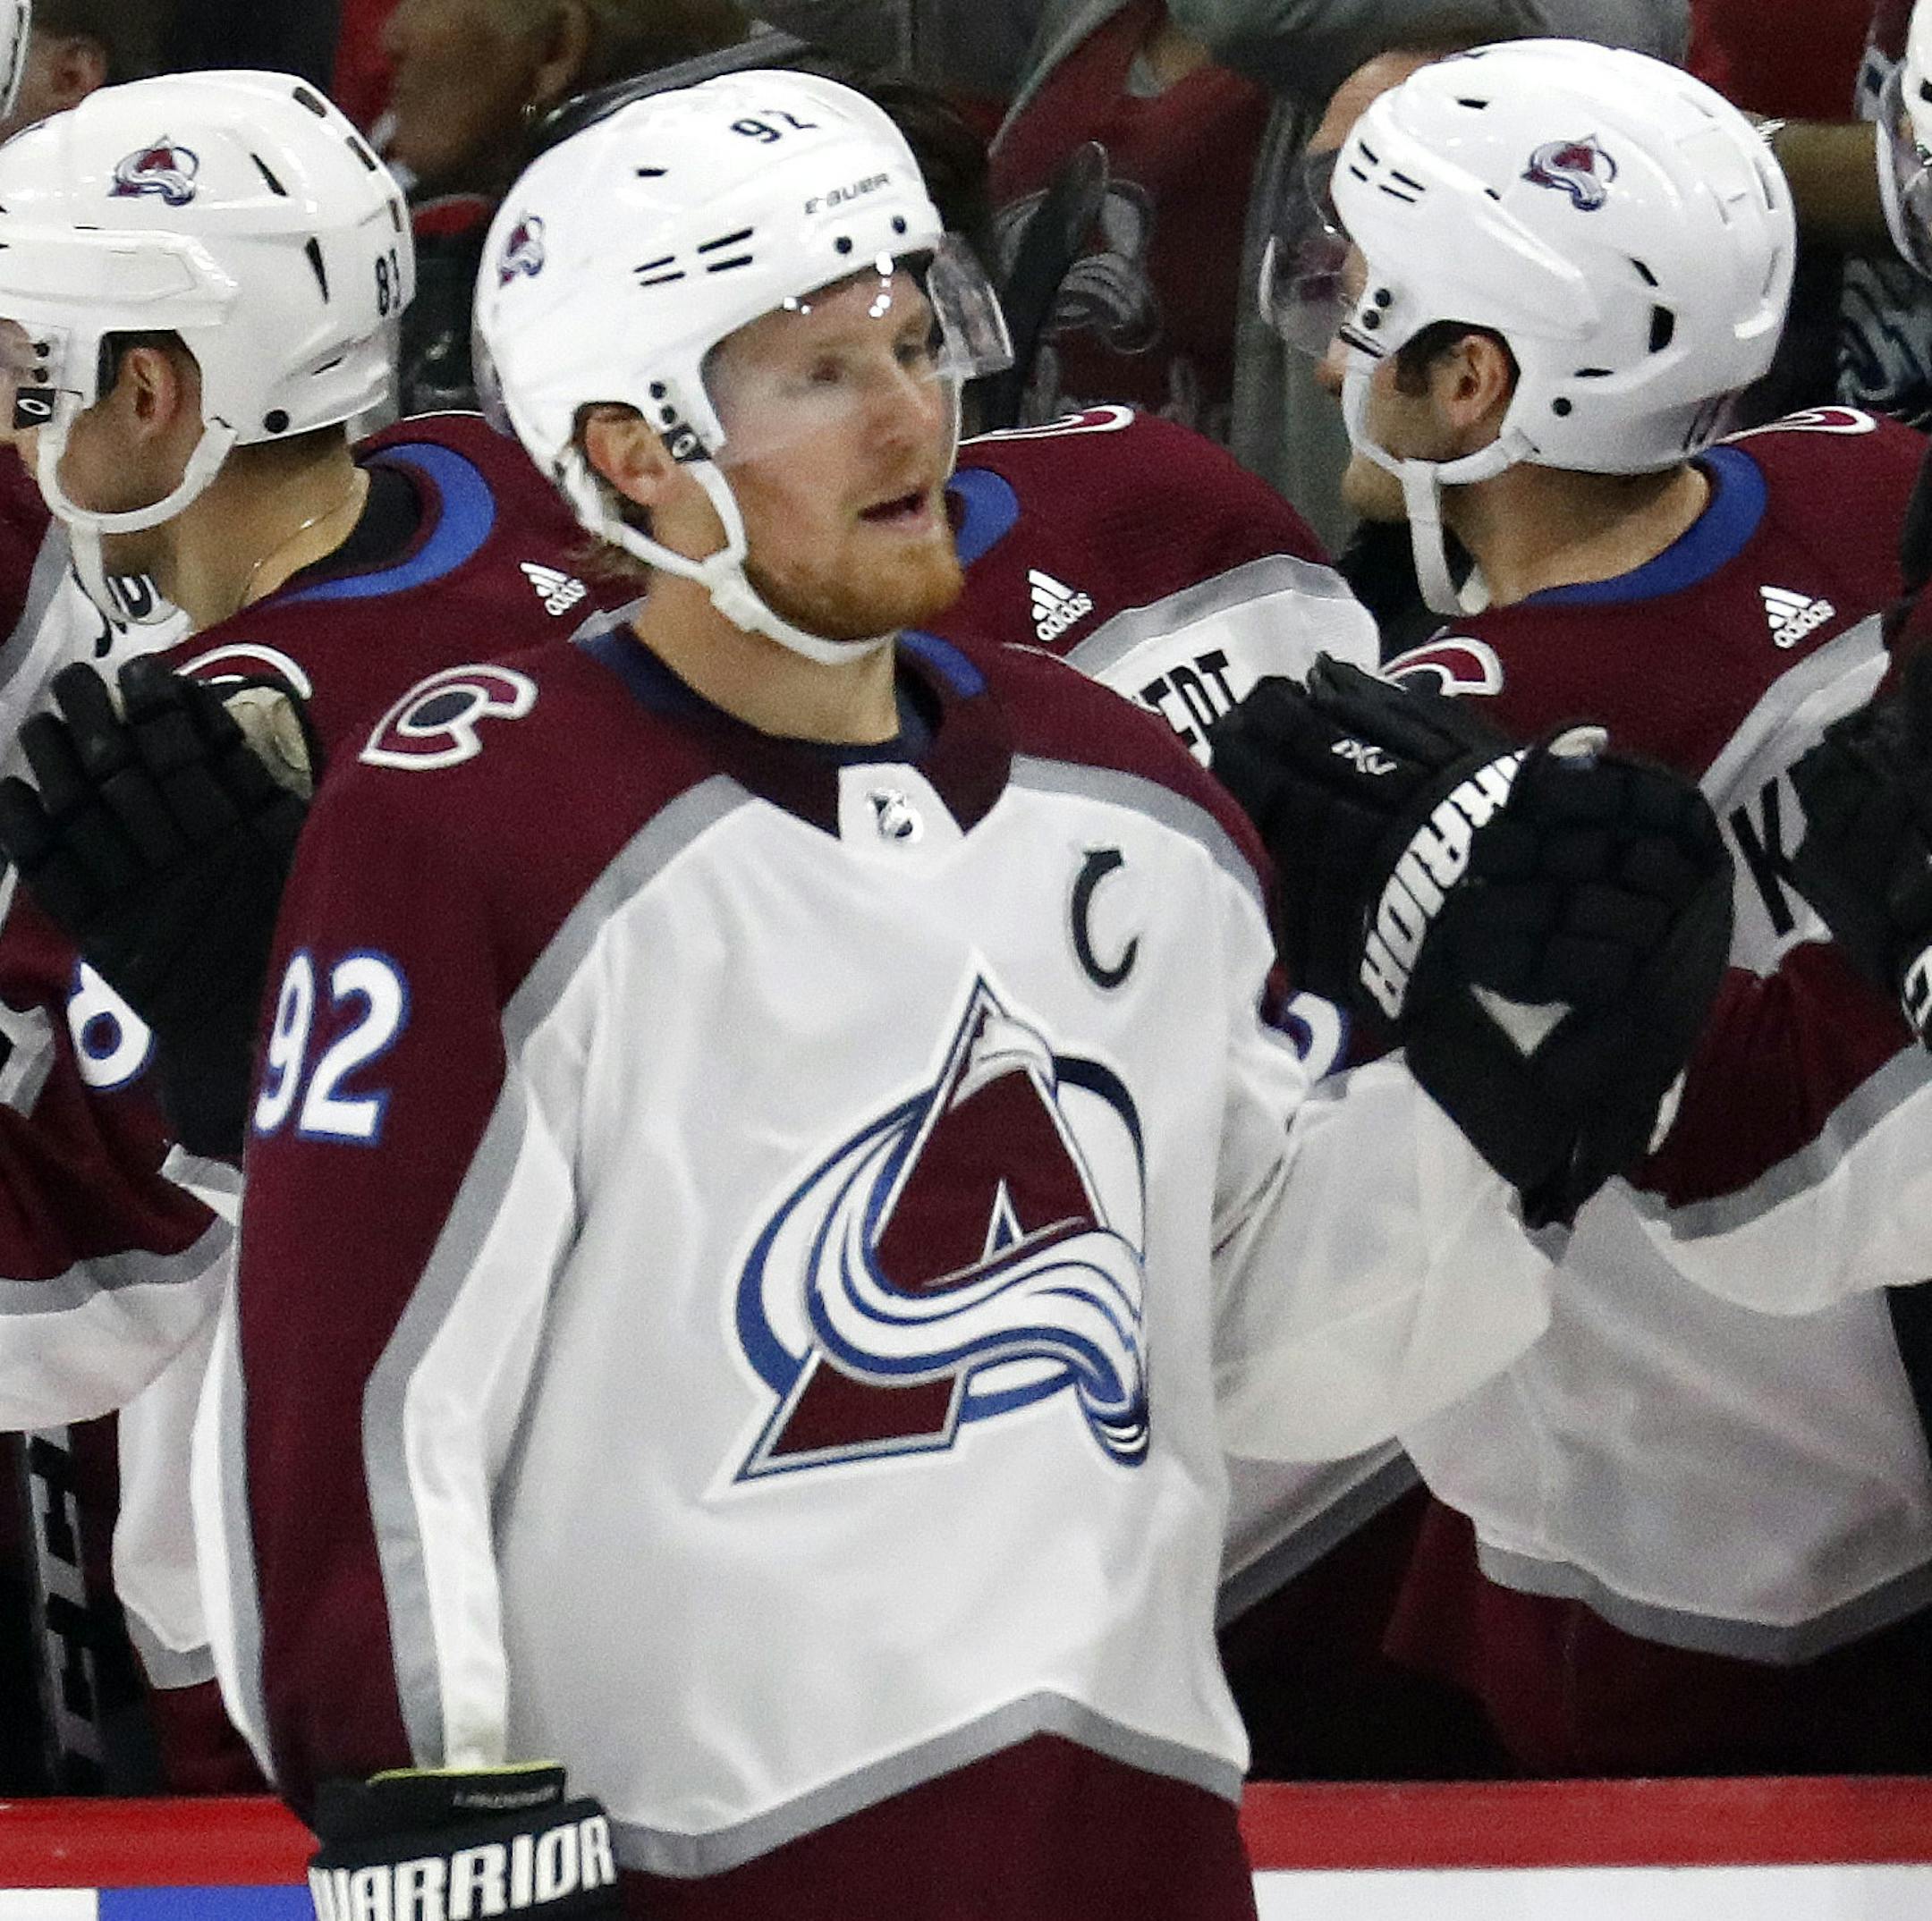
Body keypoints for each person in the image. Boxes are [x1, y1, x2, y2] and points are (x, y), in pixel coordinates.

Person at [184, 68, 1673, 1916]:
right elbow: (358, 1370)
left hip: (1121, 1849)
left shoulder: (1122, 786)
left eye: (917, 333)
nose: (915, 412)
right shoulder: (476, 820)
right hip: (690, 1864)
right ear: (633, 449)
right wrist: (426, 1798)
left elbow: (1254, 1332)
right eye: (819, 372)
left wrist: (1505, 1098)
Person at [1243, 36, 1932, 1773]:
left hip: (1686, 1567)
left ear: (1471, 383)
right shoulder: (1874, 486)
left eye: (1358, 293)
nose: (1329, 339)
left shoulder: (1448, 747)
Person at [0, 66, 634, 1791]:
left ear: (155, 392)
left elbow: (66, 1299)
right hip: (643, 1530)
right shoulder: (498, 484)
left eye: (26, 371)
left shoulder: (192, 771)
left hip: (327, 1608)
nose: (9, 422)